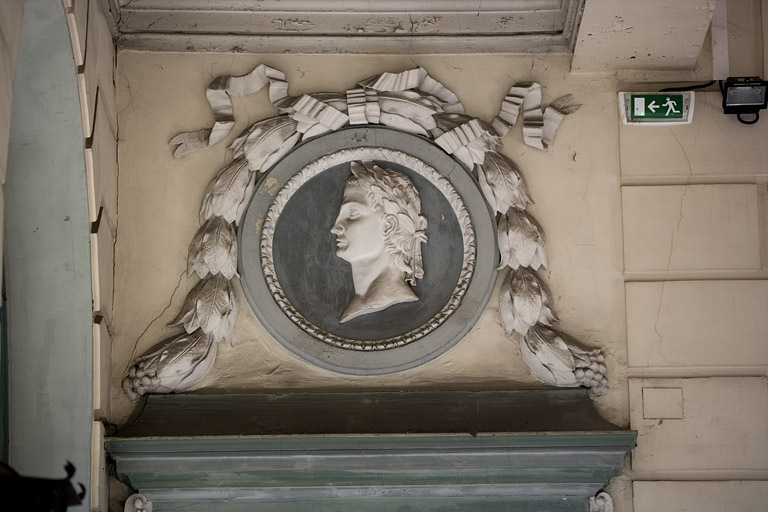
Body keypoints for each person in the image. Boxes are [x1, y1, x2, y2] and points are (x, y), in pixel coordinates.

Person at [331, 161, 428, 322]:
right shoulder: (360, 301)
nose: (335, 227)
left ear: (389, 225)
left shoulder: (391, 297)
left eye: (352, 213)